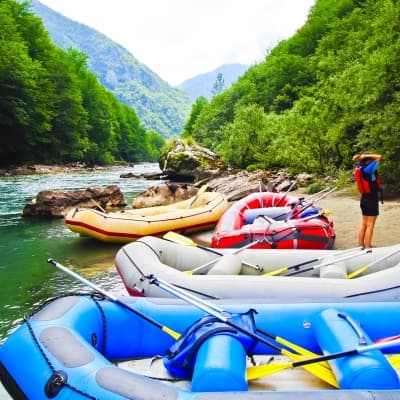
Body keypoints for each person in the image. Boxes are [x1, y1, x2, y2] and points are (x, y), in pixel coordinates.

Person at [352, 152, 383, 249]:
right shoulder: (367, 170)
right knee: (370, 225)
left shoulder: (359, 168)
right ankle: (368, 247)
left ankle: (361, 245)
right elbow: (379, 157)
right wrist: (366, 156)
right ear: (368, 160)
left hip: (364, 199)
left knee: (364, 224)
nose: (374, 161)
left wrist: (365, 157)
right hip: (370, 199)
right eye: (371, 160)